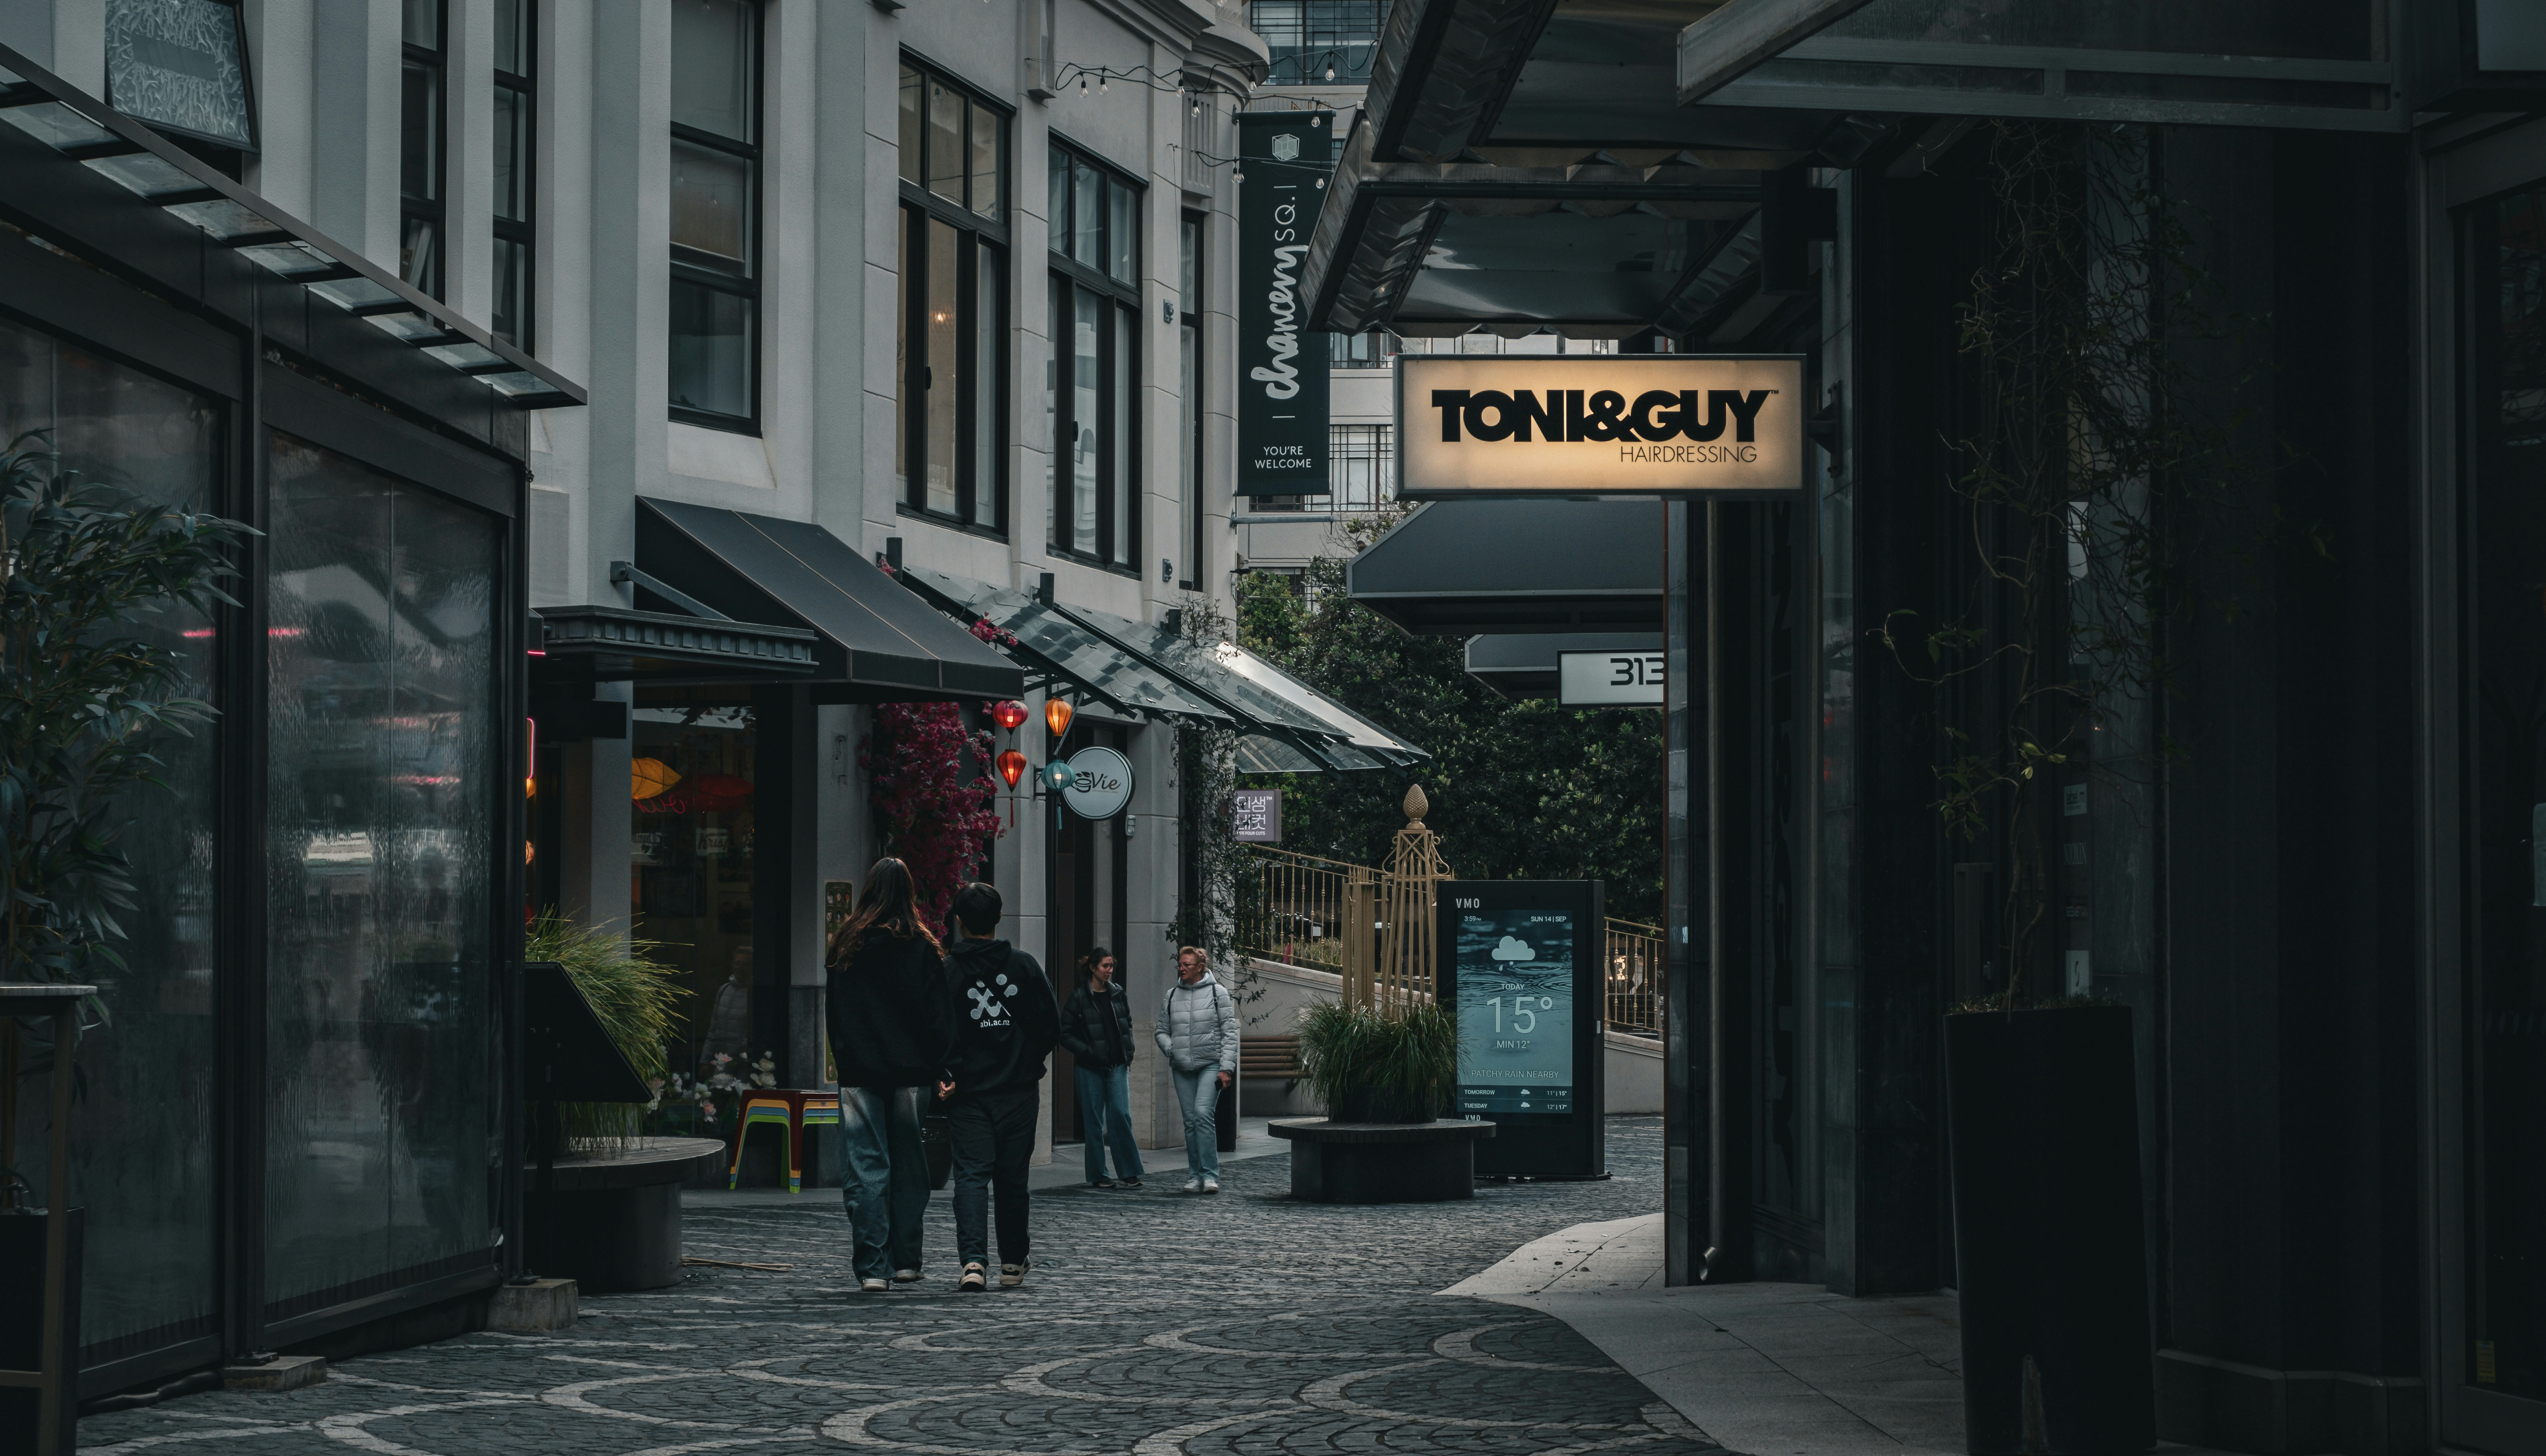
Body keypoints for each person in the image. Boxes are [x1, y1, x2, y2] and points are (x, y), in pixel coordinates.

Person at [824, 858, 957, 1294]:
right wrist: (940, 1066)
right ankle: (907, 1260)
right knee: (909, 1165)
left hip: (860, 1071)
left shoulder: (847, 944)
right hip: (911, 1072)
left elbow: (835, 1014)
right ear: (909, 893)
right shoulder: (922, 946)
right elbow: (938, 1017)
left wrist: (843, 1061)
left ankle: (871, 1266)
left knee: (866, 1165)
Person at [939, 881, 1061, 1291]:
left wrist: (949, 1073)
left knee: (971, 1176)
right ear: (999, 918)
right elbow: (1050, 1025)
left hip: (968, 1093)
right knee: (1013, 1178)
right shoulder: (1023, 966)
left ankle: (973, 1262)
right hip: (1018, 1090)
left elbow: (936, 1031)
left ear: (959, 921)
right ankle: (1012, 1261)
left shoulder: (948, 972)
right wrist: (1026, 1061)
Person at [1057, 946, 1144, 1190]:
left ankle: (1129, 1172)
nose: (1110, 970)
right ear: (1093, 968)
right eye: (1106, 966)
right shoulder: (1079, 998)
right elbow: (1065, 1033)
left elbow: (1127, 1023)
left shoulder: (1118, 994)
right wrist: (1088, 1051)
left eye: (1111, 966)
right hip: (1090, 1068)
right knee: (1093, 1121)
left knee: (1120, 1115)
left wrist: (1130, 1050)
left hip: (1117, 1065)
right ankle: (1099, 1174)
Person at [1155, 945, 1239, 1194]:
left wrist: (1226, 1068)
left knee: (1203, 1114)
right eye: (1180, 965)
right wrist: (1172, 1049)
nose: (1181, 968)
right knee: (1190, 1121)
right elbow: (1161, 1031)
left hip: (1210, 1064)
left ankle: (1210, 1175)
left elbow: (1230, 1033)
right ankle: (1195, 1176)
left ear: (1200, 967)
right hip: (1182, 1067)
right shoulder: (1171, 995)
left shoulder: (1218, 993)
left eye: (1187, 965)